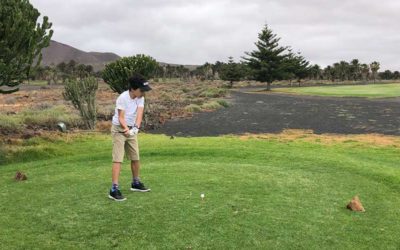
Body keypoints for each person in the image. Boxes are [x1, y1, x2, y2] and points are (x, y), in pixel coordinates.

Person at [108, 74, 152, 201]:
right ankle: (114, 189)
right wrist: (126, 129)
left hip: (131, 129)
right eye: (141, 90)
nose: (143, 93)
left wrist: (135, 129)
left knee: (135, 157)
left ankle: (135, 183)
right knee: (118, 158)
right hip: (119, 129)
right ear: (133, 89)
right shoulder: (123, 98)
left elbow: (139, 114)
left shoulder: (140, 97)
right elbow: (121, 118)